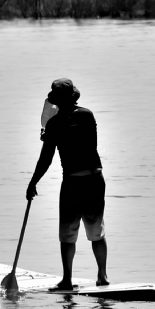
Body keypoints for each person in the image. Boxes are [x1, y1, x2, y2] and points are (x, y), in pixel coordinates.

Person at [26, 78, 109, 290]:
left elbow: (46, 159)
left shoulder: (54, 124)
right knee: (96, 231)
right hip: (95, 179)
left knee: (68, 235)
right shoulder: (87, 115)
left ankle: (67, 280)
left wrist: (33, 182)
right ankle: (102, 276)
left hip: (73, 182)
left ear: (55, 101)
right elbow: (91, 144)